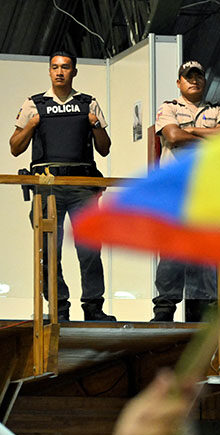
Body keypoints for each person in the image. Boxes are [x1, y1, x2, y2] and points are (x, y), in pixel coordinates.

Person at [9, 51, 115, 322]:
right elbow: (14, 147)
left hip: (81, 185)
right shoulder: (35, 104)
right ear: (49, 71)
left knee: (90, 249)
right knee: (49, 251)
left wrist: (96, 127)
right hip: (47, 186)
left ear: (74, 72)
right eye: (55, 67)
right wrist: (31, 125)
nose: (59, 72)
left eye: (65, 67)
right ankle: (58, 308)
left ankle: (93, 308)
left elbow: (104, 149)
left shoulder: (88, 103)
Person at [151, 60, 220, 322]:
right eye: (188, 77)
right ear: (179, 83)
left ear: (204, 81)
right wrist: (210, 135)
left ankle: (213, 309)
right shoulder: (168, 107)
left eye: (198, 76)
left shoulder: (218, 109)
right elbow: (173, 136)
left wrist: (193, 129)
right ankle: (164, 310)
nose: (193, 81)